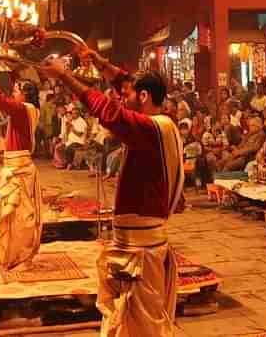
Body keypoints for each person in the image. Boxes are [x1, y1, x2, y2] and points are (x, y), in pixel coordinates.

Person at [42, 46, 184, 337]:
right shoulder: (161, 122)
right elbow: (127, 84)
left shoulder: (150, 128)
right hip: (138, 241)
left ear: (144, 97)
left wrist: (65, 77)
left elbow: (109, 113)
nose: (122, 97)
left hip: (142, 249)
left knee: (141, 326)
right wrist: (101, 63)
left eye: (128, 95)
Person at [0, 70, 42, 271]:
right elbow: (8, 94)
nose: (13, 94)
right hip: (16, 165)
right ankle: (14, 255)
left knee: (20, 217)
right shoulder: (28, 108)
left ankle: (21, 256)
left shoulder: (22, 109)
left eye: (16, 91)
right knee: (14, 215)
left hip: (19, 169)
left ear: (24, 94)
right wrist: (12, 70)